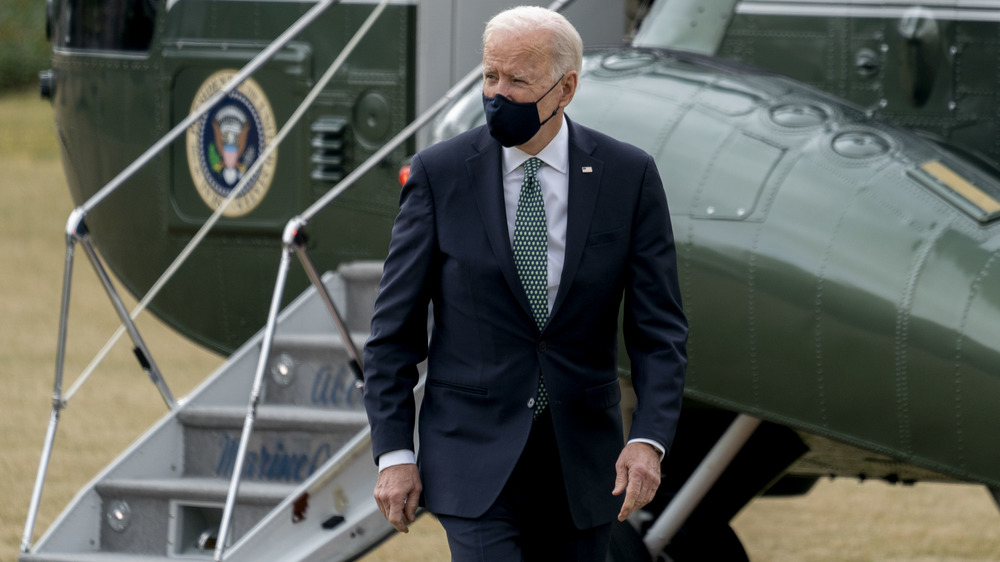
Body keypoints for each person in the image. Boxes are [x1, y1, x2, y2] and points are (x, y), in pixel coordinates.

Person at [363, 6, 687, 560]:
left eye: (518, 80)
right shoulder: (440, 175)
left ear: (566, 89)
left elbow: (659, 332)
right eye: (490, 75)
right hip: (471, 455)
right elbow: (393, 332)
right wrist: (394, 453)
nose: (498, 93)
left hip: (584, 462)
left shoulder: (627, 177)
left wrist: (648, 440)